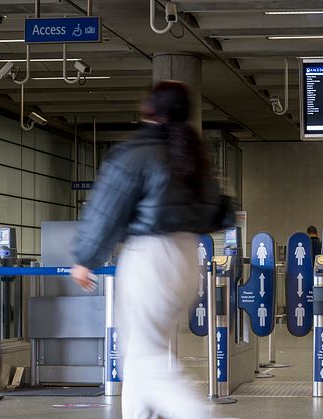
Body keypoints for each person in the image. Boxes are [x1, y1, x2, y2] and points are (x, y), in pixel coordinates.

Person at [71, 81, 233, 418]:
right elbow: (221, 211)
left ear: (149, 109)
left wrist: (86, 258)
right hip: (189, 257)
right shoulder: (193, 154)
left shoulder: (137, 152)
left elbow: (106, 207)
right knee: (139, 356)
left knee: (146, 357)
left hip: (151, 259)